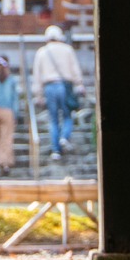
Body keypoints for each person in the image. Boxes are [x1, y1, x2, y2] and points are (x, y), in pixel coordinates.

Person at [31, 25, 83, 160]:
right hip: (65, 86)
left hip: (49, 87)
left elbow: (37, 75)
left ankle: (55, 150)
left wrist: (38, 94)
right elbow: (75, 69)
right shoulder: (68, 50)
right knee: (67, 115)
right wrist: (79, 84)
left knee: (53, 119)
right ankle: (64, 137)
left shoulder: (42, 52)